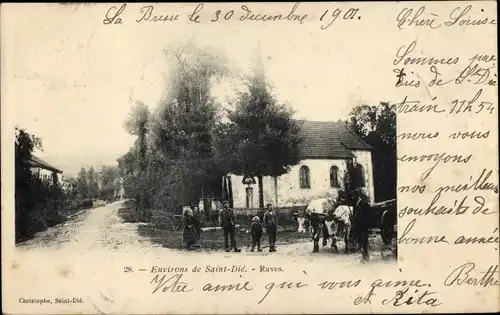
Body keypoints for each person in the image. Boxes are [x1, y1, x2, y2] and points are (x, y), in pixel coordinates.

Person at [352, 194, 370, 263]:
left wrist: (354, 219)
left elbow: (360, 218)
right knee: (363, 244)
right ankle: (364, 258)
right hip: (362, 228)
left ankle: (365, 259)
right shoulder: (360, 206)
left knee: (363, 244)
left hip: (363, 228)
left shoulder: (363, 206)